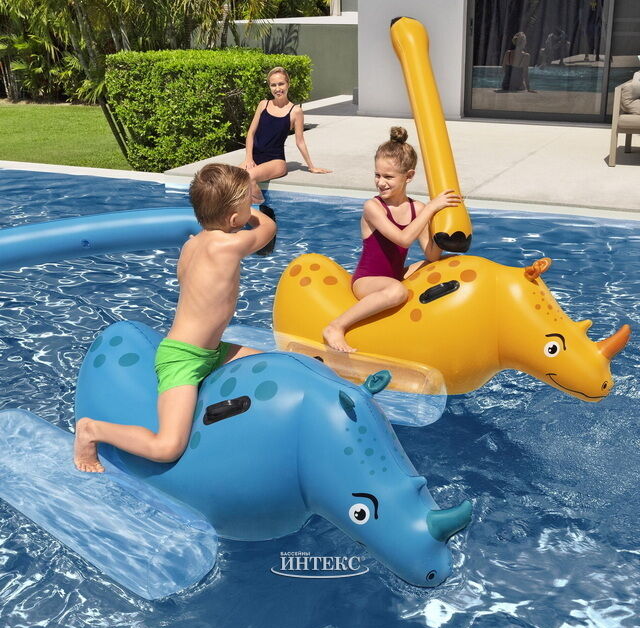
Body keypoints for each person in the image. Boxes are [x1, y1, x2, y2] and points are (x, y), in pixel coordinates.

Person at [74, 163, 276, 472]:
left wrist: (245, 202)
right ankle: (91, 430)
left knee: (276, 366)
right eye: (247, 203)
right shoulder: (227, 246)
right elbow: (268, 229)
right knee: (167, 448)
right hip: (182, 359)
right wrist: (257, 209)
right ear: (235, 219)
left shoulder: (191, 245)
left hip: (214, 351)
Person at [322, 127, 462, 353]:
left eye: (388, 177)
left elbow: (432, 255)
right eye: (377, 175)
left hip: (396, 275)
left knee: (450, 263)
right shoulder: (373, 207)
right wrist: (431, 208)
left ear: (409, 176)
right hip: (367, 281)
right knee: (397, 291)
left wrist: (441, 221)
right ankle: (336, 326)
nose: (381, 182)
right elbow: (403, 240)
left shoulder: (417, 209)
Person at [241, 66, 331, 204]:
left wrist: (311, 166)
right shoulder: (263, 105)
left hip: (276, 161)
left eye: (281, 84)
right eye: (273, 85)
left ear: (288, 84)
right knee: (229, 179)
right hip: (255, 158)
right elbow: (251, 133)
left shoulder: (295, 111)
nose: (278, 88)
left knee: (247, 177)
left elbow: (300, 141)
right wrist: (248, 158)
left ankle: (261, 210)